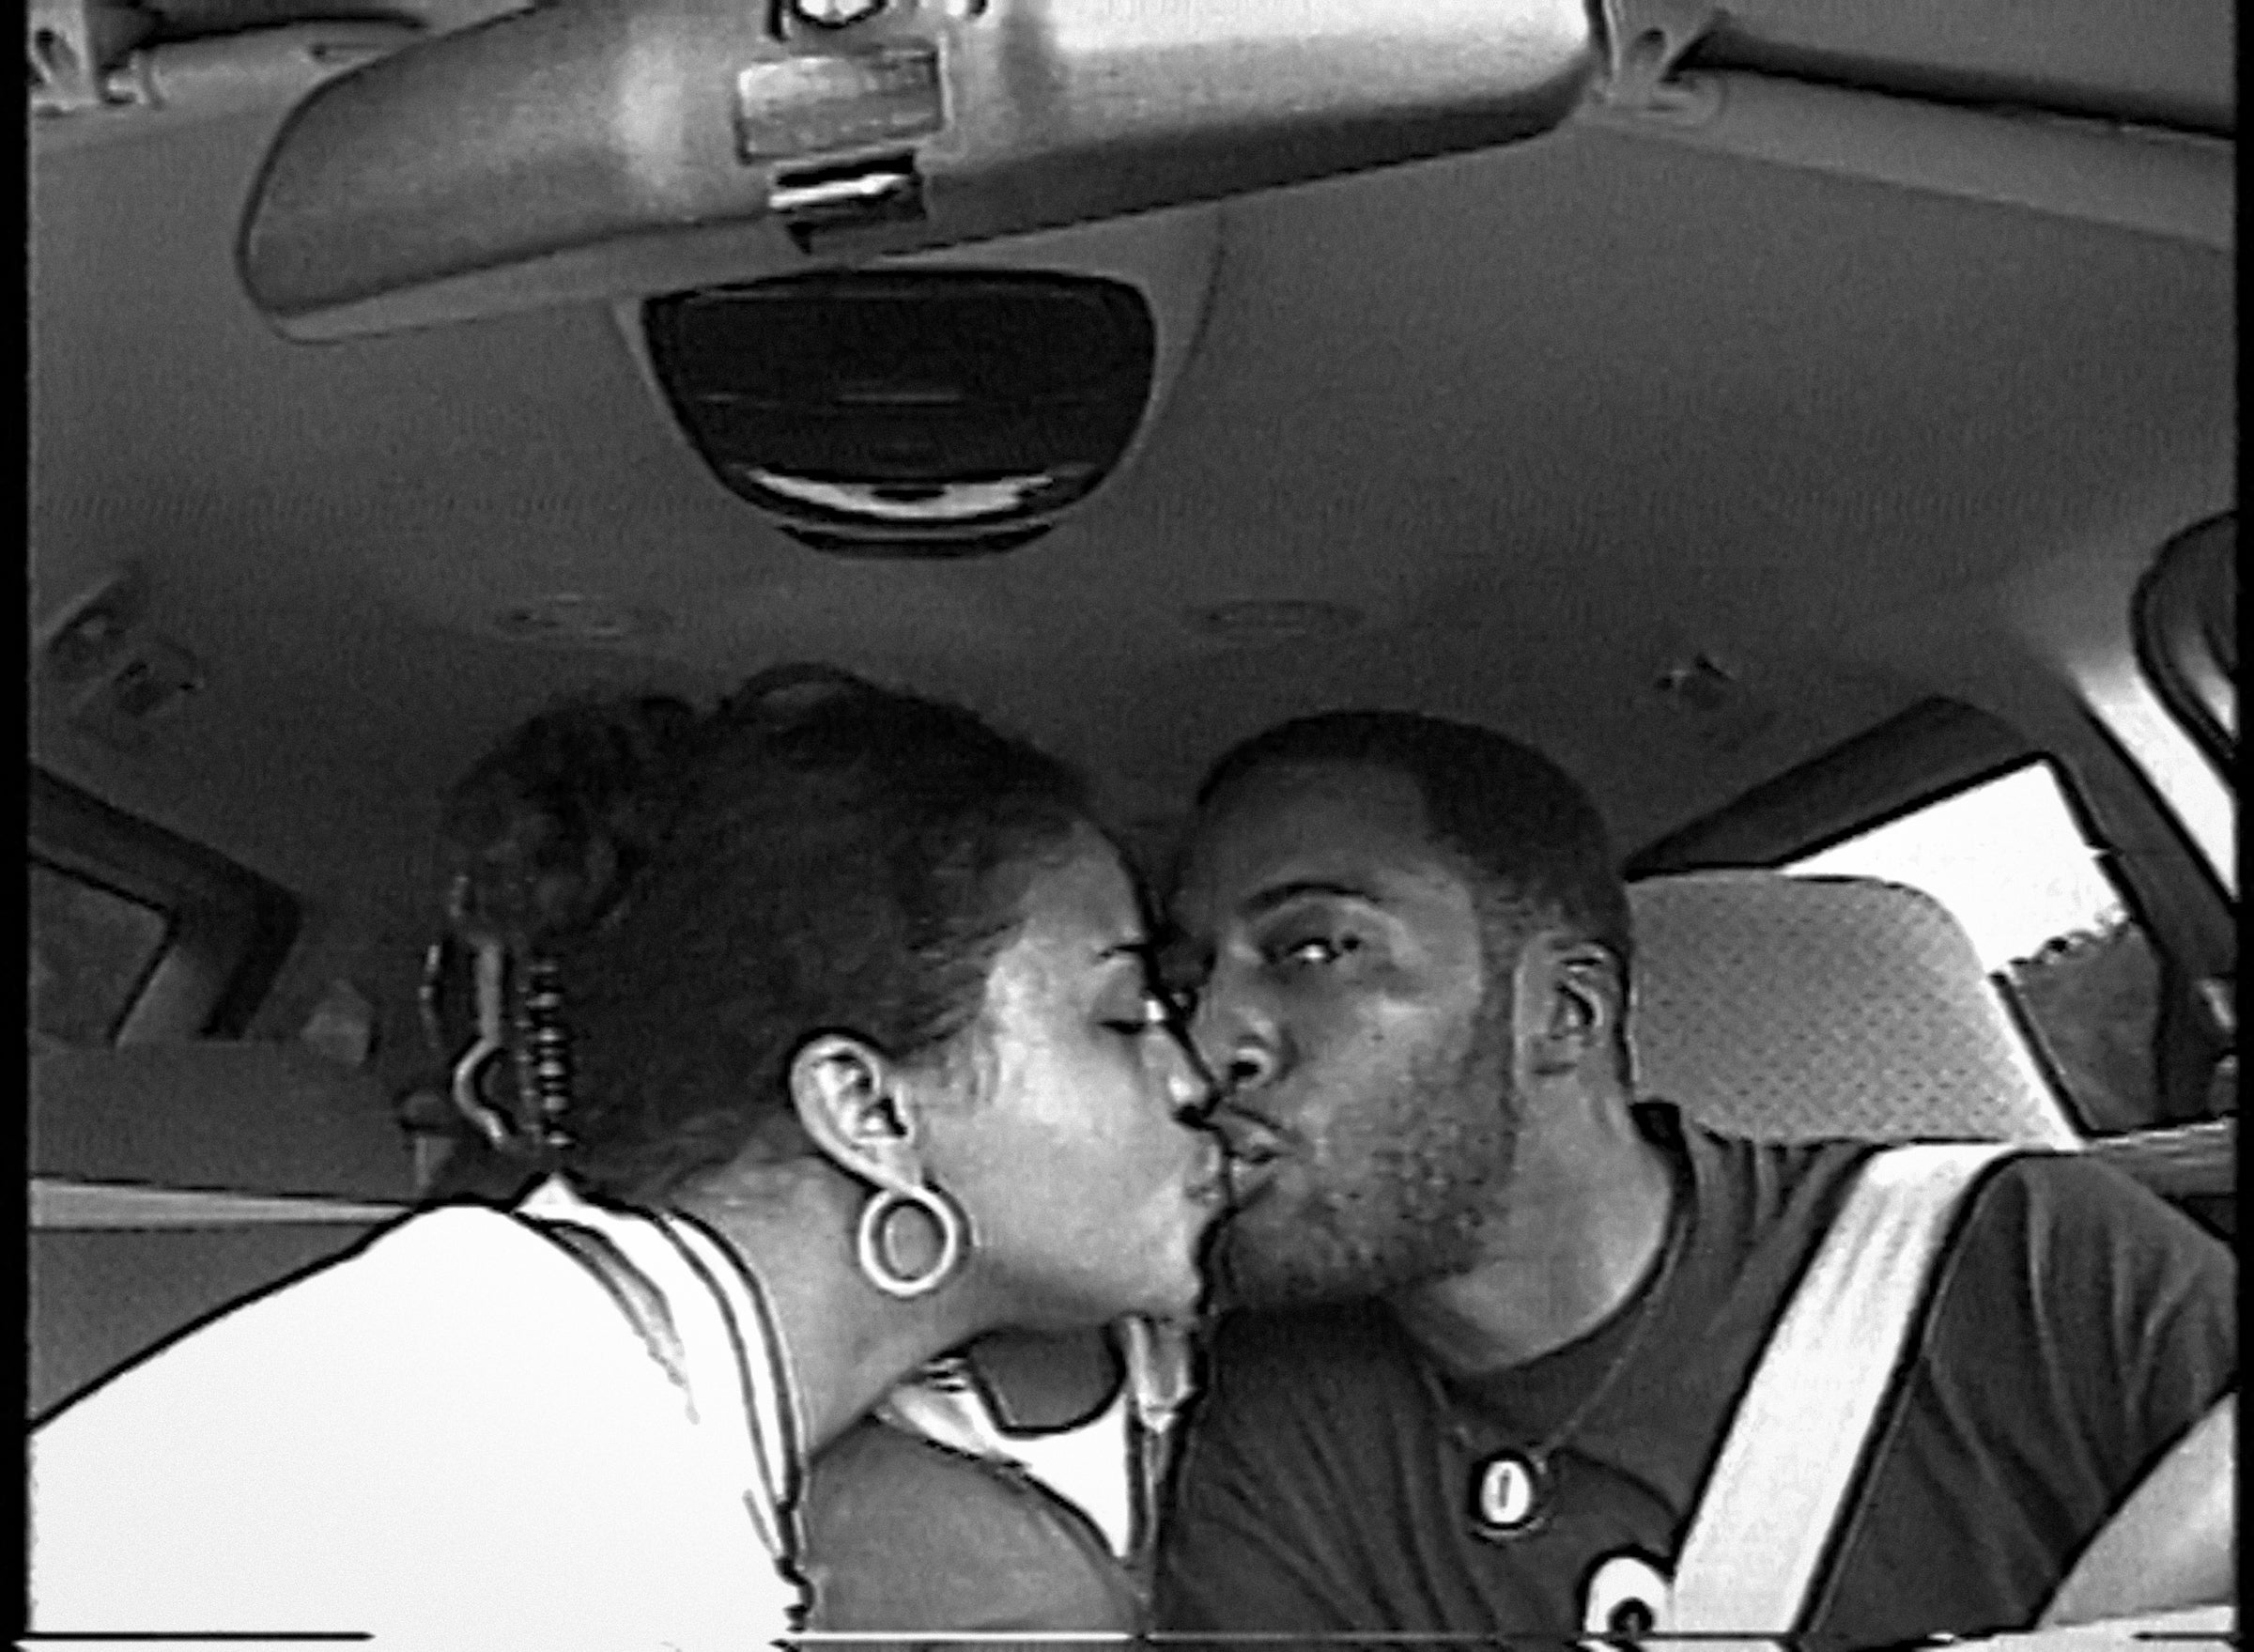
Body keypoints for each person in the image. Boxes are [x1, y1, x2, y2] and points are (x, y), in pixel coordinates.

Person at [28, 666, 1225, 1649]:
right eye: (1122, 1019)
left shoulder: (504, 1350)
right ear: (867, 1108)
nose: (1192, 1077)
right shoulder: (586, 1525)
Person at [1154, 708, 2236, 1648]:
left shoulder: (2030, 1261)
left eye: (1314, 950)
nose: (1204, 1049)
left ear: (1563, 1012)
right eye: (1185, 984)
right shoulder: (1273, 1417)